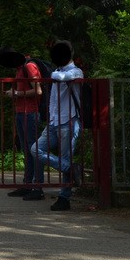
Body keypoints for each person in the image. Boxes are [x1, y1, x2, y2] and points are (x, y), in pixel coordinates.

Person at [33, 39, 84, 212]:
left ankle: (64, 198)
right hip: (54, 122)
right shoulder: (56, 71)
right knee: (35, 149)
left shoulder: (76, 72)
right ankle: (70, 169)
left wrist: (48, 72)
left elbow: (62, 77)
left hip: (69, 121)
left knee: (65, 156)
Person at [0, 46, 45, 200]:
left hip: (30, 113)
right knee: (26, 150)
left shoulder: (29, 66)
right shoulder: (19, 68)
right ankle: (27, 184)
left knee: (33, 149)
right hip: (21, 113)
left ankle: (37, 187)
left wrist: (16, 93)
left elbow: (38, 91)